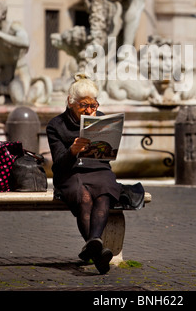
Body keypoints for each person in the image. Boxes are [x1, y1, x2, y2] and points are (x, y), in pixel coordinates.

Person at [46, 73, 122, 274]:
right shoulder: (56, 125)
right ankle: (97, 250)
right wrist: (72, 150)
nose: (90, 110)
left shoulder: (100, 119)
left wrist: (107, 146)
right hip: (71, 172)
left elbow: (106, 156)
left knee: (105, 189)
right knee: (85, 196)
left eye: (93, 105)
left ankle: (93, 242)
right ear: (71, 103)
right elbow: (59, 164)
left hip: (98, 169)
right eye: (84, 106)